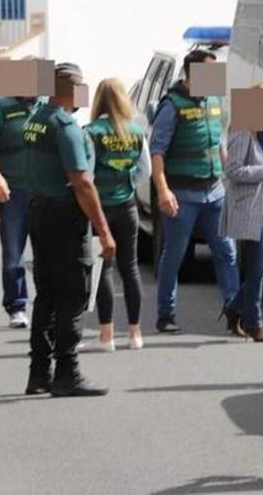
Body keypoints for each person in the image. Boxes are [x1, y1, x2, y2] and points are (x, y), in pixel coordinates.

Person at [22, 62, 115, 397]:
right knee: (72, 295)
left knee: (46, 296)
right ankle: (66, 372)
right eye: (80, 86)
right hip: (64, 217)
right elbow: (82, 182)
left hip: (39, 212)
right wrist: (104, 231)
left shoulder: (36, 119)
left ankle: (38, 373)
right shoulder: (65, 126)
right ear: (68, 89)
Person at [149, 49, 240, 334]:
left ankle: (234, 312)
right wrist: (163, 190)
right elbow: (157, 150)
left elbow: (219, 143)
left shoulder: (214, 101)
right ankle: (166, 314)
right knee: (174, 254)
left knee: (227, 252)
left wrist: (230, 177)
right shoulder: (172, 105)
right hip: (183, 194)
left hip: (215, 191)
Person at [85, 78, 150, 352]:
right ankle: (135, 333)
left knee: (105, 270)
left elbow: (86, 172)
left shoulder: (91, 132)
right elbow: (144, 170)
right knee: (130, 268)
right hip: (127, 206)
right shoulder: (136, 132)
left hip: (100, 207)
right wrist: (128, 183)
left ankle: (106, 335)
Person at [220, 88, 263, 342]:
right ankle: (253, 322)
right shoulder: (242, 130)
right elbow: (232, 170)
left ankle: (234, 307)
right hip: (249, 205)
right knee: (260, 264)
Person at [0, 93, 42, 328]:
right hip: (12, 190)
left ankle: (46, 304)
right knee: (13, 254)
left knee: (47, 253)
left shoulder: (46, 105)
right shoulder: (1, 107)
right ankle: (17, 306)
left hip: (43, 190)